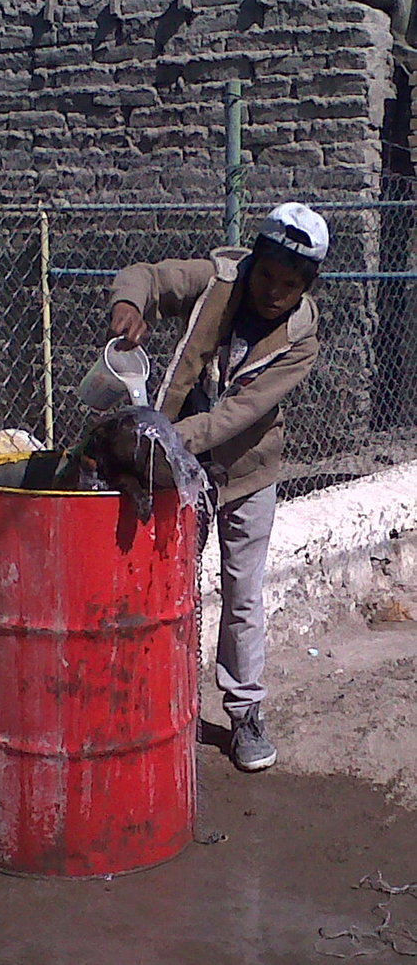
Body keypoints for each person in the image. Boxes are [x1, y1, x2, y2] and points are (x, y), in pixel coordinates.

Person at [108, 202, 330, 773]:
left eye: (289, 285)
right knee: (166, 584)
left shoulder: (301, 341)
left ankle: (245, 712)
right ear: (253, 262)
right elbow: (147, 276)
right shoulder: (217, 282)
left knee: (242, 593)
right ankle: (162, 704)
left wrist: (160, 435)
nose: (273, 292)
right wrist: (130, 303)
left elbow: (238, 414)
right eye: (267, 275)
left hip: (247, 472)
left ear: (306, 287)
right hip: (177, 469)